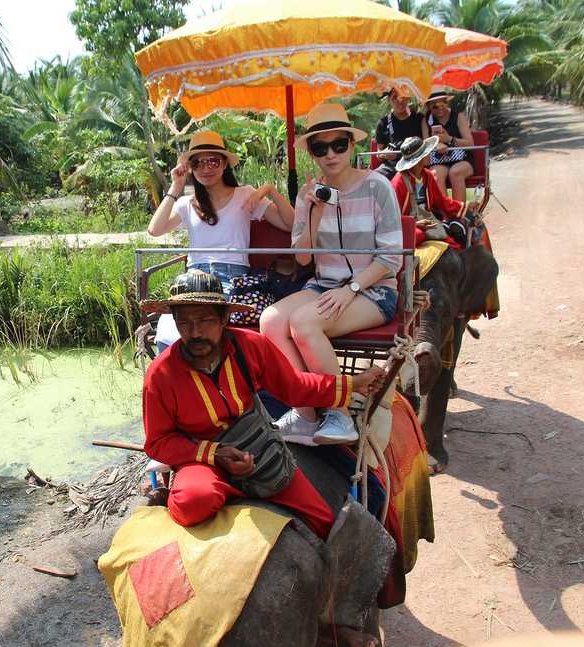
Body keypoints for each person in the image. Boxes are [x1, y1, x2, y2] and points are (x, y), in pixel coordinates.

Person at [141, 269, 386, 538]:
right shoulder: (160, 374)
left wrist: (352, 385)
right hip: (201, 459)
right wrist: (214, 454)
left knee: (324, 522)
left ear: (224, 318)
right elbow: (157, 442)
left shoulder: (251, 346)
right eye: (185, 323)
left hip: (258, 447)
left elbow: (294, 388)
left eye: (205, 320)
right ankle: (175, 496)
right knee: (192, 502)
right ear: (174, 322)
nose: (196, 332)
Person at [260, 102, 402, 446]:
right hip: (323, 284)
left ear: (351, 146)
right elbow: (304, 257)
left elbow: (391, 258)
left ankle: (339, 413)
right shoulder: (309, 195)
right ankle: (306, 412)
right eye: (320, 147)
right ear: (312, 152)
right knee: (270, 320)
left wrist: (351, 288)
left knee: (305, 322)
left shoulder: (377, 188)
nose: (331, 154)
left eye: (339, 144)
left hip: (374, 289)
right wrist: (314, 211)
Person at [147, 130, 293, 350]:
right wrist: (176, 186)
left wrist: (270, 190)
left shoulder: (245, 194)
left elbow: (291, 225)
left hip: (233, 279)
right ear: (191, 168)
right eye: (198, 163)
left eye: (213, 161)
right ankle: (177, 382)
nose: (206, 168)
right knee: (169, 327)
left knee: (207, 322)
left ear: (225, 164)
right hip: (193, 279)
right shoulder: (187, 203)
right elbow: (155, 229)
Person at [391, 136, 478, 246]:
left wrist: (465, 206)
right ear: (419, 159)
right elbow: (391, 217)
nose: (431, 154)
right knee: (418, 235)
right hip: (408, 226)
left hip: (427, 221)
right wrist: (415, 224)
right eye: (427, 153)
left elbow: (441, 201)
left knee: (454, 246)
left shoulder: (427, 175)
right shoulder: (398, 182)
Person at [420, 91, 476, 203]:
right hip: (439, 160)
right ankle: (446, 214)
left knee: (455, 172)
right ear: (429, 107)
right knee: (435, 174)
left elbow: (470, 144)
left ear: (447, 103)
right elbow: (426, 145)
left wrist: (449, 139)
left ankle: (460, 213)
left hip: (463, 159)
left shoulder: (458, 117)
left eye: (443, 104)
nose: (440, 108)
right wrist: (435, 145)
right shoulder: (426, 121)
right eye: (435, 106)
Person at [373, 90, 425, 179]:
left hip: (416, 163)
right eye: (395, 98)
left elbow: (427, 145)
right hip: (392, 165)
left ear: (408, 98)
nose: (400, 101)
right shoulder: (383, 122)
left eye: (403, 97)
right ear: (389, 100)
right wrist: (385, 154)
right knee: (374, 178)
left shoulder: (419, 118)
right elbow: (379, 153)